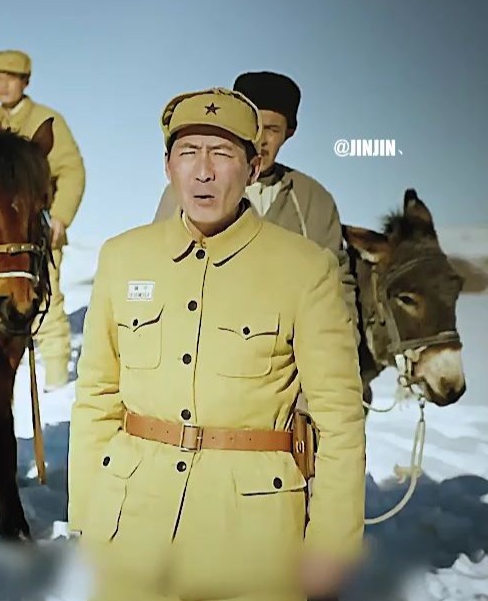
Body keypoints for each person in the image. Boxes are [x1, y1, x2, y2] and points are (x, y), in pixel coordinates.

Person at [69, 87, 366, 601]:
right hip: (131, 524)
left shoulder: (305, 269)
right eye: (188, 153)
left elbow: (338, 421)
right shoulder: (122, 258)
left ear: (253, 168)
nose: (203, 172)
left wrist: (330, 549)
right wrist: (87, 514)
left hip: (252, 539)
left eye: (222, 154)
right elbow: (97, 397)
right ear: (168, 167)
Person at [153, 71, 358, 334]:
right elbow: (159, 267)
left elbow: (337, 286)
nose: (261, 139)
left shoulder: (313, 200)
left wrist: (343, 346)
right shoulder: (187, 190)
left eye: (272, 129)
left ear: (289, 133)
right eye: (255, 126)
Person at [0, 49, 85, 391]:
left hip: (38, 231)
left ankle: (57, 384)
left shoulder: (45, 120)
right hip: (0, 238)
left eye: (11, 79)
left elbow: (71, 170)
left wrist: (60, 218)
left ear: (25, 82)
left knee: (47, 302)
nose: (3, 86)